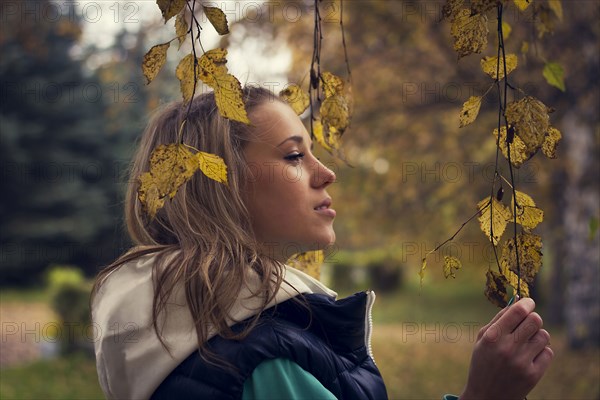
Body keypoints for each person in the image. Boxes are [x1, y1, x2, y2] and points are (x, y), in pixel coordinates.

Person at [91, 86, 553, 400]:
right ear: (221, 183)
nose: (325, 172)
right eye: (294, 155)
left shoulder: (184, 327)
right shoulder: (261, 357)